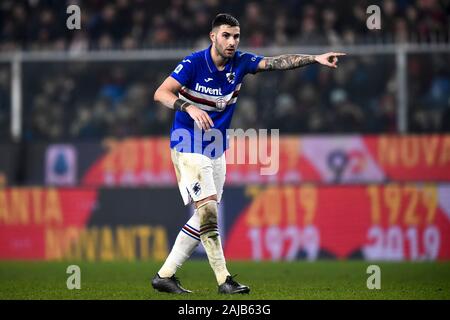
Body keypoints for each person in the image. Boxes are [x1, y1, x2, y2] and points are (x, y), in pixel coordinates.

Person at [152, 13, 345, 294]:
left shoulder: (240, 62)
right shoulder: (194, 63)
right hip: (187, 143)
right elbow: (161, 92)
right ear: (213, 37)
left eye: (236, 36)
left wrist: (314, 58)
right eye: (226, 36)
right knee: (207, 211)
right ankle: (224, 280)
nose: (232, 42)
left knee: (205, 214)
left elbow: (277, 62)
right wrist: (188, 107)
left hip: (216, 148)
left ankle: (164, 276)